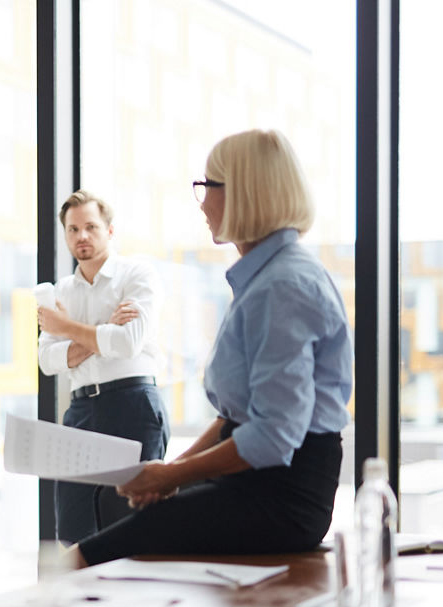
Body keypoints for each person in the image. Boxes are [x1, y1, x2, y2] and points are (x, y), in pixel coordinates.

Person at [72, 130, 352, 567]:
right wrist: (168, 476)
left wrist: (173, 475)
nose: (200, 201)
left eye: (208, 186)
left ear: (244, 193)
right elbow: (233, 420)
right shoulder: (264, 277)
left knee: (89, 557)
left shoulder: (282, 286)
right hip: (257, 482)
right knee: (115, 518)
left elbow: (273, 436)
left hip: (283, 497)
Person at [37, 190, 168, 543]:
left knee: (131, 525)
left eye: (91, 227)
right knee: (72, 529)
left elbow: (128, 343)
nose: (81, 236)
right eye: (73, 229)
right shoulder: (60, 292)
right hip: (81, 412)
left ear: (109, 231)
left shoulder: (137, 274)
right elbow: (48, 360)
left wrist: (65, 329)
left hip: (133, 406)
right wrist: (101, 334)